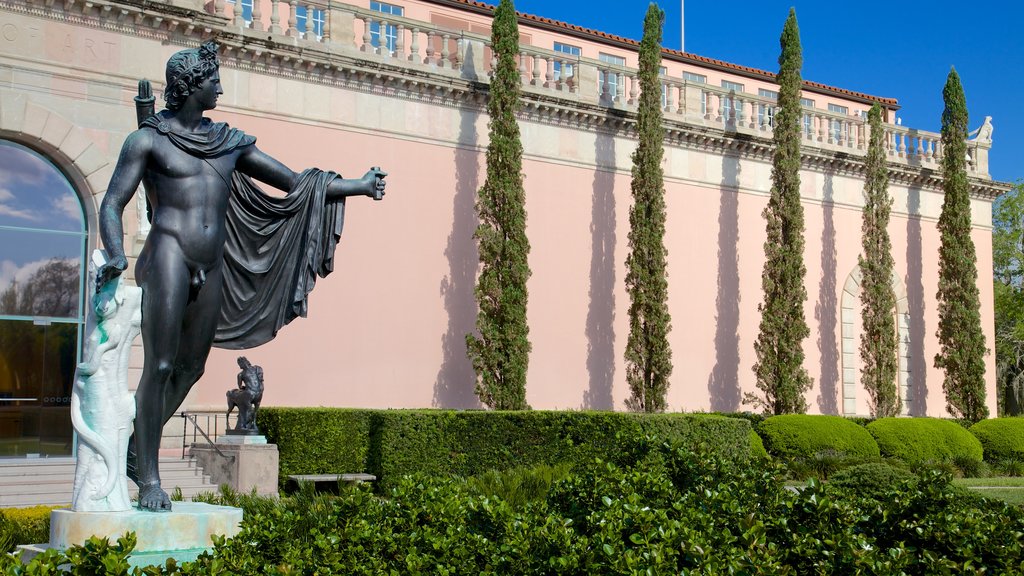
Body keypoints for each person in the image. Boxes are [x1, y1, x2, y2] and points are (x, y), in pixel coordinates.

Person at [97, 41, 386, 511]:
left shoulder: (229, 143)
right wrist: (113, 253)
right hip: (168, 254)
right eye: (213, 81)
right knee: (162, 365)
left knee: (192, 368)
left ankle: (134, 446)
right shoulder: (147, 140)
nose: (221, 88)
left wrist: (356, 185)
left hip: (212, 262)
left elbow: (296, 182)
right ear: (191, 86)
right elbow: (113, 203)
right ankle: (149, 476)